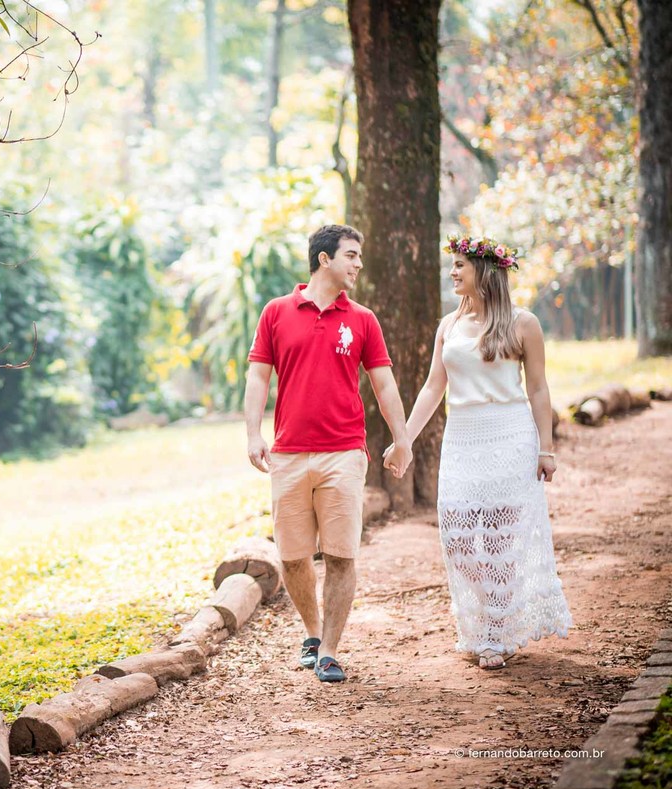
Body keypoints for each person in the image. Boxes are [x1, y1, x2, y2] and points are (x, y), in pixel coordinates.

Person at [389, 234, 572, 670]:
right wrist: (405, 439)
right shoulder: (448, 326)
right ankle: (490, 617)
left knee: (498, 537)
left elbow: (539, 388)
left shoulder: (523, 323)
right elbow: (435, 387)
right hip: (463, 438)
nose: (452, 273)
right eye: (452, 266)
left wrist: (546, 448)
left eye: (459, 266)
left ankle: (494, 631)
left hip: (509, 434)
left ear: (483, 272)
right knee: (459, 538)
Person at [245, 224, 411, 683]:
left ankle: (330, 652)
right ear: (324, 259)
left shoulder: (363, 319)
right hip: (289, 454)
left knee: (340, 556)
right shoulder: (276, 313)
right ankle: (313, 634)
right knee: (294, 557)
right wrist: (252, 434)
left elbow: (384, 383)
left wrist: (402, 438)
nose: (358, 264)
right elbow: (258, 377)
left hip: (344, 452)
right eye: (352, 255)